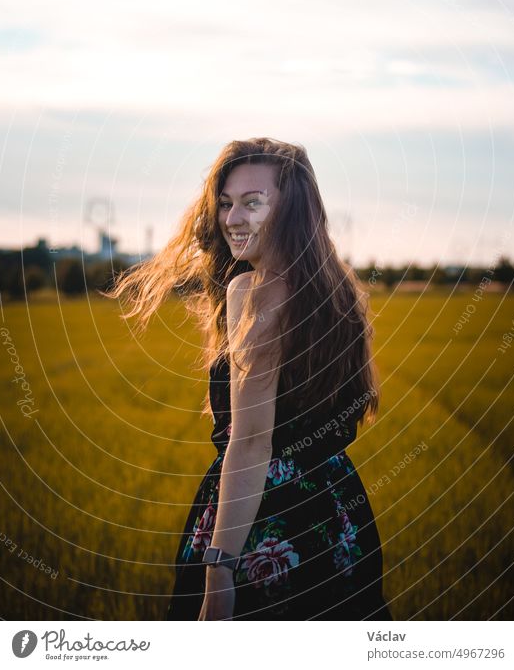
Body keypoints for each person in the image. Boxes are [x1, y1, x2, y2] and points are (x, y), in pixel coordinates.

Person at [105, 137, 393, 621]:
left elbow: (253, 441)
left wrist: (219, 571)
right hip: (337, 510)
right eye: (225, 203)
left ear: (291, 210)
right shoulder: (336, 290)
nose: (232, 218)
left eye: (252, 203)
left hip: (260, 520)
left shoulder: (253, 291)